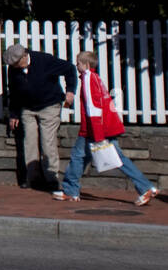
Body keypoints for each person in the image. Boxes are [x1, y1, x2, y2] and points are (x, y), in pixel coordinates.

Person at [55, 51, 159, 205]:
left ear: (86, 64)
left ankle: (145, 187)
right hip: (102, 128)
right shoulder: (95, 78)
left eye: (78, 63)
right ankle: (71, 189)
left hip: (95, 129)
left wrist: (98, 135)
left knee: (85, 157)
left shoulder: (88, 79)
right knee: (84, 157)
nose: (76, 65)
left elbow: (93, 107)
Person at [6, 42, 77, 190]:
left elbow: (70, 69)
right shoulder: (13, 69)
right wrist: (13, 114)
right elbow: (13, 91)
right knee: (29, 142)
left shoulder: (44, 60)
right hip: (27, 108)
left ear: (25, 56)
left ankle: (51, 178)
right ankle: (33, 178)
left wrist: (70, 91)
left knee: (47, 142)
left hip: (49, 105)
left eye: (17, 63)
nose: (15, 67)